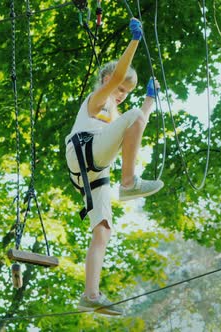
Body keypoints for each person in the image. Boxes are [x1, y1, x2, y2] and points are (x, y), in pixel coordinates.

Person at [65, 17, 163, 316]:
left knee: (103, 231)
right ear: (108, 80)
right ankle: (129, 182)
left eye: (125, 91)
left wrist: (149, 99)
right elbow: (119, 77)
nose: (119, 94)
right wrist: (134, 40)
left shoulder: (115, 113)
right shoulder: (96, 100)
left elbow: (137, 119)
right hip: (83, 151)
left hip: (94, 169)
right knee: (134, 115)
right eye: (118, 87)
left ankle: (90, 295)